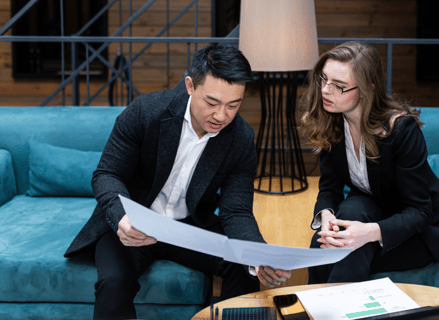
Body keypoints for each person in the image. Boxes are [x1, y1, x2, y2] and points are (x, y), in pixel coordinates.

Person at [64, 44, 291, 319]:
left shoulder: (240, 138)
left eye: (233, 105)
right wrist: (123, 219)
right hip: (135, 221)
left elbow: (236, 210)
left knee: (245, 266)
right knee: (115, 282)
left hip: (189, 227)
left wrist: (258, 253)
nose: (222, 116)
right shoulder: (145, 112)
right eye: (212, 102)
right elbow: (107, 174)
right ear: (190, 86)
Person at [300, 41, 439, 284]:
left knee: (338, 252)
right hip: (370, 209)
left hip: (418, 228)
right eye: (324, 79)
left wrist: (368, 233)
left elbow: (419, 211)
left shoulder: (401, 130)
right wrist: (326, 215)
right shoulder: (332, 120)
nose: (325, 90)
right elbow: (329, 187)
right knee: (325, 241)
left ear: (366, 89)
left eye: (339, 86)